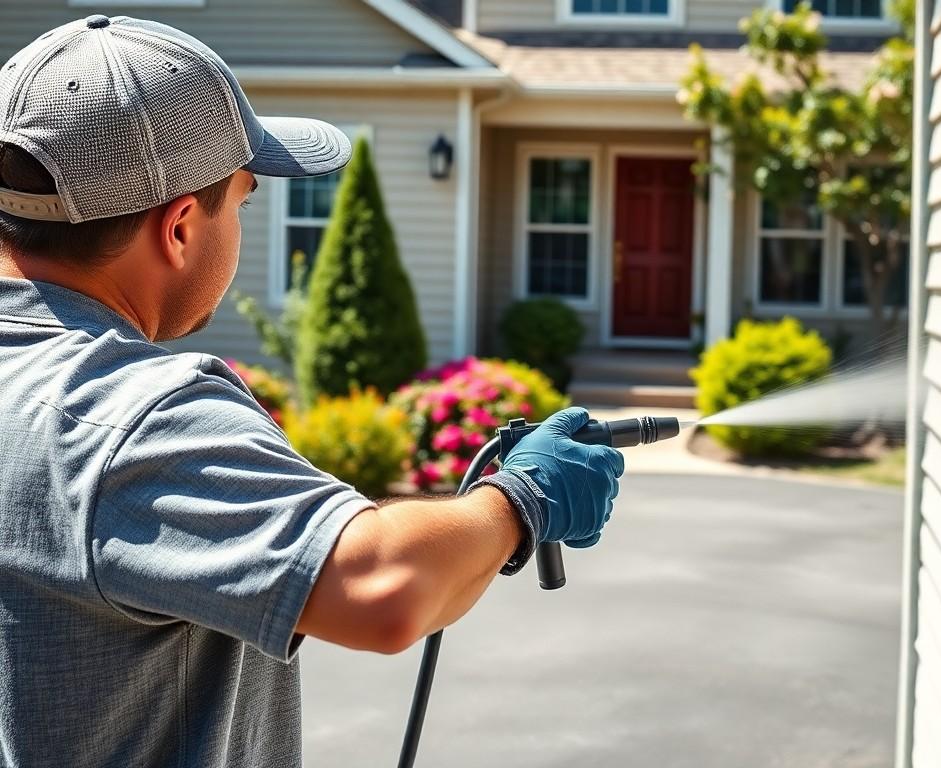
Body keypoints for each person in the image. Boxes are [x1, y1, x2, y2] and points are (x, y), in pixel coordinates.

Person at [0, 15, 623, 768]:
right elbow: (385, 588)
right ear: (180, 228)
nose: (242, 222)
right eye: (244, 200)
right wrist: (524, 498)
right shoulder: (133, 414)